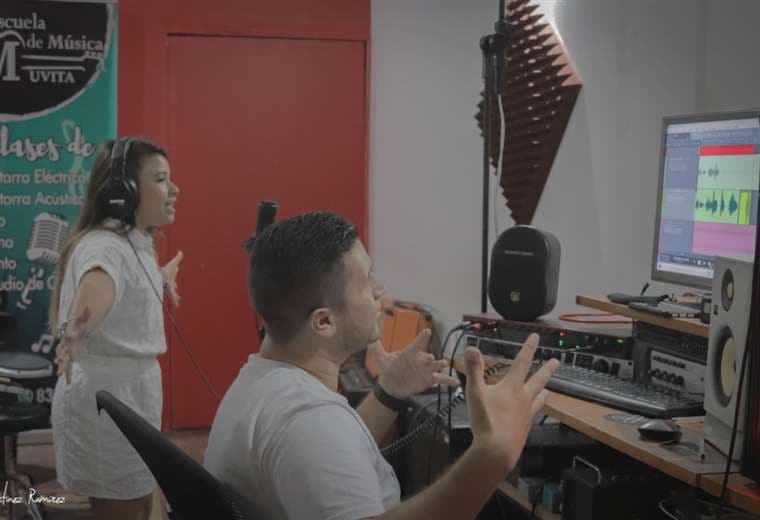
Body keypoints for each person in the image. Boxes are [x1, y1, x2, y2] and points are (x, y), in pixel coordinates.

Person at [204, 211, 559, 520]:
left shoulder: (261, 381)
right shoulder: (310, 421)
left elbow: (333, 455)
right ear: (324, 322)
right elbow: (320, 438)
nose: (380, 289)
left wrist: (388, 392)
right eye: (366, 281)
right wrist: (492, 454)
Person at [49, 137, 181, 520]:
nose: (174, 189)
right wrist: (77, 328)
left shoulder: (131, 243)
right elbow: (98, 284)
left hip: (128, 397)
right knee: (124, 508)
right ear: (124, 192)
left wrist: (159, 278)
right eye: (161, 179)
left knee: (143, 500)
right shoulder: (105, 247)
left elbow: (120, 281)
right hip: (106, 404)